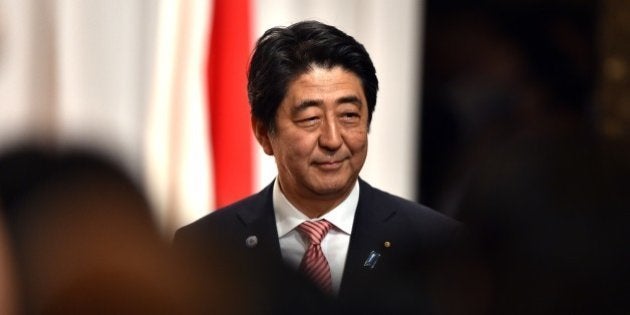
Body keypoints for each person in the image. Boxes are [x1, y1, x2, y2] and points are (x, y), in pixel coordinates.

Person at [174, 20, 468, 314]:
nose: (332, 139)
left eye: (349, 115)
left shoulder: (435, 243)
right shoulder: (205, 248)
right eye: (310, 118)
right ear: (264, 133)